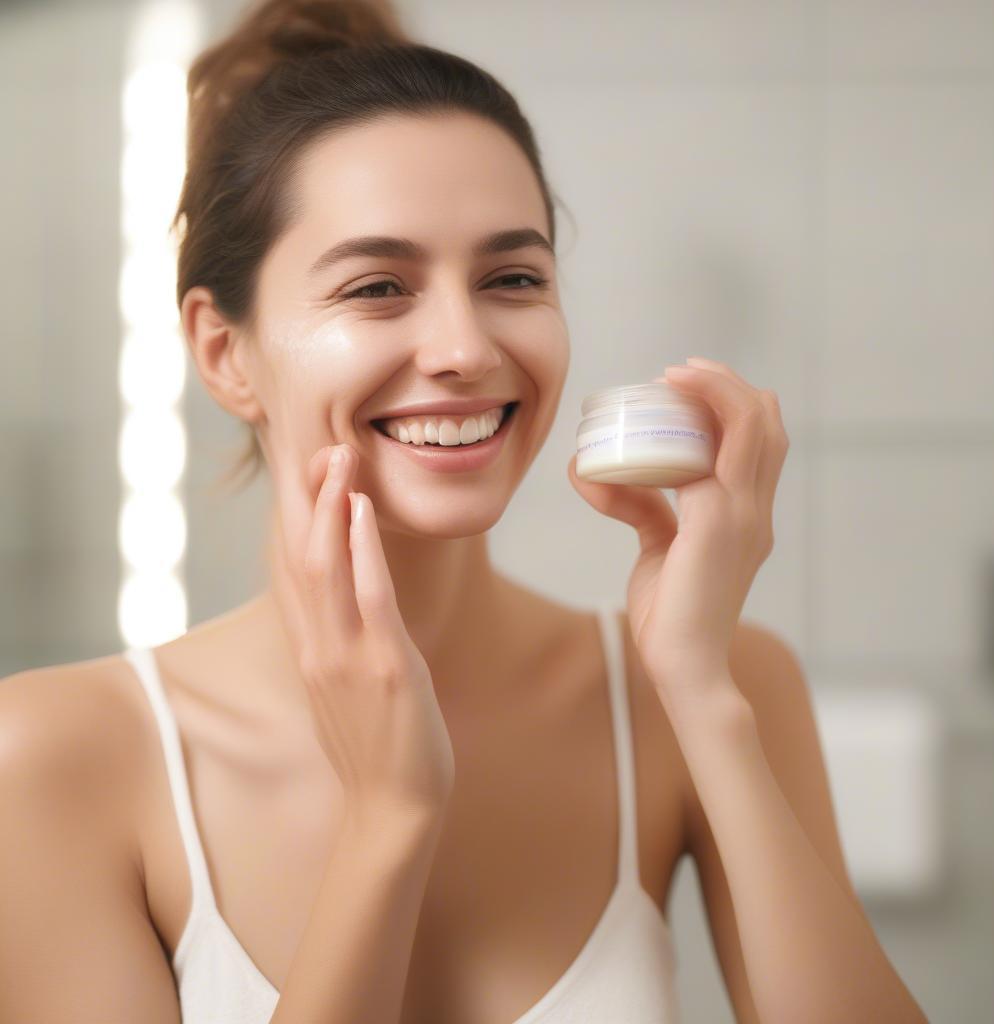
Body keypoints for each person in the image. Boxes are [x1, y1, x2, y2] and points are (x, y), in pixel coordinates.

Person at [0, 1, 929, 1022]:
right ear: (224, 353)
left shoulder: (717, 684)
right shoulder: (58, 756)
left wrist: (702, 695)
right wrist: (387, 820)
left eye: (511, 277)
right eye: (377, 287)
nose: (467, 347)